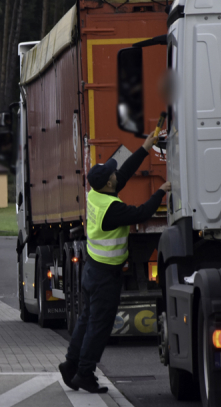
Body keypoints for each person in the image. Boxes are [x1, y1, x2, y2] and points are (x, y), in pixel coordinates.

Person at [59, 133, 171, 393]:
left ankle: (70, 364)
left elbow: (126, 171)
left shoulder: (96, 195)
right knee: (99, 326)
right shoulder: (112, 209)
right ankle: (84, 373)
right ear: (108, 183)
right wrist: (161, 191)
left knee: (87, 320)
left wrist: (146, 146)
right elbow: (142, 213)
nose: (115, 174)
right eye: (111, 173)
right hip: (104, 277)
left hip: (92, 270)